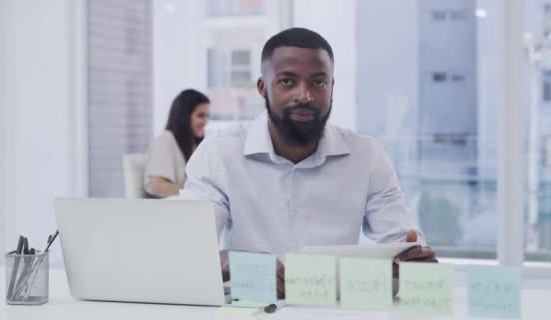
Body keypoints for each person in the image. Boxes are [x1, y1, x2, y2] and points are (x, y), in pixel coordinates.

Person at [180, 28, 437, 297]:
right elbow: (187, 249)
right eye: (287, 82)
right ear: (262, 87)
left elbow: (401, 243)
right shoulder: (220, 154)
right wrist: (230, 260)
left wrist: (414, 262)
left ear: (332, 87)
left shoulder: (366, 156)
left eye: (318, 82)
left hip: (334, 310)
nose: (304, 95)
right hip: (250, 308)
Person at [144, 89, 210, 198]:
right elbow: (157, 186)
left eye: (207, 116)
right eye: (200, 115)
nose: (205, 122)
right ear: (184, 116)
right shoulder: (165, 140)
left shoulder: (194, 144)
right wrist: (200, 192)